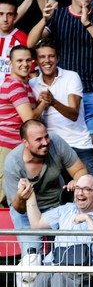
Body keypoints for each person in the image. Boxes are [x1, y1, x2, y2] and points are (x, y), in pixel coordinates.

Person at [26, 0, 93, 189]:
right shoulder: (58, 16)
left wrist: (87, 23)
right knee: (64, 154)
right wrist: (44, 19)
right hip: (64, 89)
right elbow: (31, 43)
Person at [3, 120, 88, 254]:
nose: (45, 142)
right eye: (38, 139)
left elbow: (80, 170)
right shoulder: (13, 163)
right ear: (25, 142)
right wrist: (21, 197)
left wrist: (76, 181)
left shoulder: (56, 142)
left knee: (66, 252)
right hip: (26, 210)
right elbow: (18, 208)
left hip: (57, 204)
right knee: (31, 259)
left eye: (46, 136)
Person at [29, 38, 93, 184]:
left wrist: (54, 102)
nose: (47, 60)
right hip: (49, 147)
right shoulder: (32, 84)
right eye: (42, 57)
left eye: (51, 56)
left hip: (78, 144)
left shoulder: (71, 76)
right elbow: (31, 122)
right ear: (36, 62)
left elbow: (74, 114)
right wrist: (42, 104)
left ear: (58, 58)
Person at [0, 45, 46, 206]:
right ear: (10, 63)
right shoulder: (14, 85)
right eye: (19, 60)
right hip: (6, 147)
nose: (25, 64)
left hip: (16, 147)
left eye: (28, 60)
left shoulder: (24, 84)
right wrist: (44, 104)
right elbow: (28, 120)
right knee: (4, 196)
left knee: (15, 196)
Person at [0, 0, 29, 85]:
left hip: (12, 96)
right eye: (1, 14)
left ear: (15, 16)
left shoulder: (23, 39)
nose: (5, 19)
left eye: (9, 14)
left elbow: (32, 75)